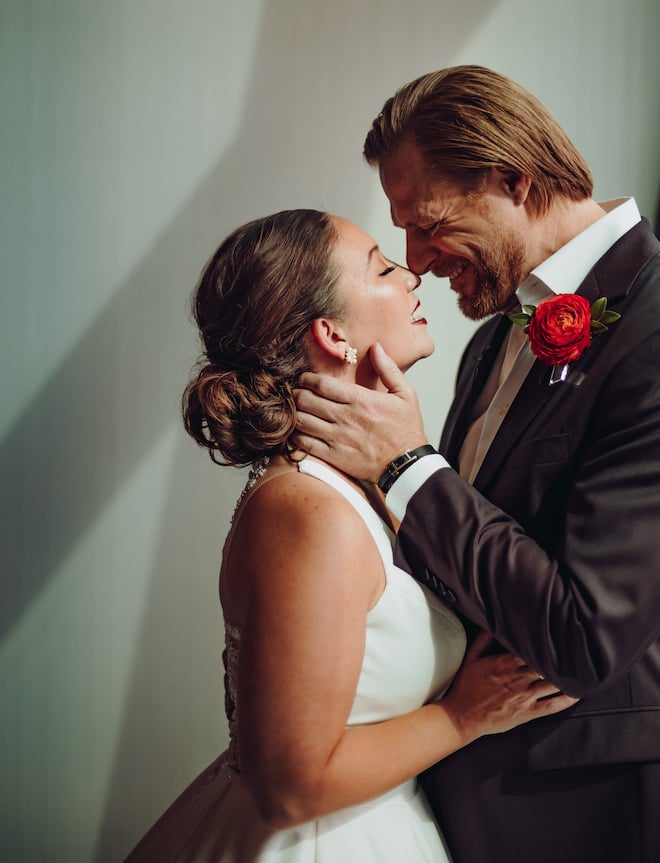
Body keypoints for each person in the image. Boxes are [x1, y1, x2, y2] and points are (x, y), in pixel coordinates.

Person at [124, 208, 576, 863]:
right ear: (333, 334)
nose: (414, 273)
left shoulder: (359, 487)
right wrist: (468, 714)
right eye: (384, 267)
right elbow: (290, 788)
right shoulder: (308, 512)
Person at [294, 66, 660, 863]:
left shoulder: (654, 327)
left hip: (585, 808)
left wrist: (408, 467)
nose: (415, 261)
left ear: (512, 178)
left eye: (425, 224)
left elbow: (585, 633)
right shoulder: (494, 339)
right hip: (457, 796)